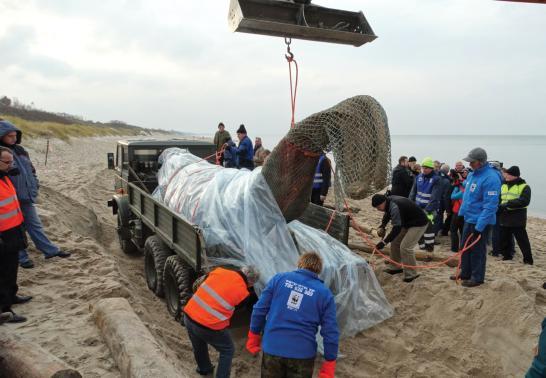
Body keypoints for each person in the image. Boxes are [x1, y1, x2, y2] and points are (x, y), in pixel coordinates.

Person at [246, 252, 338, 378]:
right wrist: (330, 361)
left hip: (273, 348)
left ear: (300, 264)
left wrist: (253, 336)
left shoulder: (279, 279)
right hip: (302, 354)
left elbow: (259, 310)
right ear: (318, 270)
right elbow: (330, 331)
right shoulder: (325, 294)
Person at [0, 120, 70, 269]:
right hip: (9, 199)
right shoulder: (1, 153)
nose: (13, 138)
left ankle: (50, 251)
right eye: (9, 136)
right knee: (15, 229)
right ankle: (22, 258)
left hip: (26, 195)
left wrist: (35, 184)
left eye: (15, 135)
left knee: (35, 225)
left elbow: (31, 170)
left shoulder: (20, 150)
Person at [183, 265, 260, 378]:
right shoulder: (244, 294)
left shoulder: (219, 271)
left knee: (198, 343)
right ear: (251, 284)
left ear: (242, 269)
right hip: (208, 326)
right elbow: (237, 310)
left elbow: (200, 283)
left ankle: (204, 369)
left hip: (189, 315)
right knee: (228, 350)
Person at [454, 147, 501, 287]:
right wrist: (460, 214)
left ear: (480, 162)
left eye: (472, 162)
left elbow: (490, 206)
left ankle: (477, 277)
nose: (469, 165)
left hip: (481, 221)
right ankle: (465, 272)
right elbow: (467, 196)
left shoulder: (491, 178)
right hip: (469, 218)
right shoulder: (472, 174)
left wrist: (479, 227)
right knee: (464, 247)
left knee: (477, 250)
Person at [0, 146, 31, 324]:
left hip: (13, 230)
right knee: (3, 272)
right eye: (6, 162)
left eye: (11, 161)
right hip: (3, 234)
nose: (10, 165)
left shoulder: (5, 178)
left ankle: (12, 296)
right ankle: (5, 309)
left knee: (11, 268)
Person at [372, 194, 429, 283]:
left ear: (383, 202)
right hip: (406, 222)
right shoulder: (388, 201)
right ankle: (395, 267)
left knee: (405, 247)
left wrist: (384, 242)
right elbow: (387, 214)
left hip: (419, 223)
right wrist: (382, 225)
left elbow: (396, 229)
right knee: (395, 242)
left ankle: (411, 274)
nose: (378, 209)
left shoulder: (395, 207)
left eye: (378, 207)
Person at [498, 166, 533, 265]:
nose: (506, 175)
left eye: (508, 174)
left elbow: (524, 201)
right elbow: (500, 198)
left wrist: (507, 204)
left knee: (522, 240)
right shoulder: (503, 185)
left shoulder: (525, 186)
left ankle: (528, 260)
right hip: (504, 216)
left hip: (517, 217)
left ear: (514, 176)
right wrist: (499, 206)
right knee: (504, 238)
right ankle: (507, 256)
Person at [409, 157, 441, 252]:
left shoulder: (436, 179)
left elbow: (434, 197)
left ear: (431, 168)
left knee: (429, 229)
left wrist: (427, 210)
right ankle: (422, 246)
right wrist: (410, 205)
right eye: (423, 167)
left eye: (426, 168)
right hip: (418, 207)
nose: (424, 169)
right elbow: (413, 192)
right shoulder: (418, 177)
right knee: (417, 228)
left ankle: (429, 249)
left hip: (430, 210)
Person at [449, 168, 467, 252]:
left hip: (457, 212)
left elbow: (453, 196)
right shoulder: (468, 187)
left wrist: (457, 188)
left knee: (453, 230)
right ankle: (463, 248)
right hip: (464, 213)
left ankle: (454, 248)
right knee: (462, 231)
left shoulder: (462, 189)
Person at [434, 164, 452, 236]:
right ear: (447, 172)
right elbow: (446, 196)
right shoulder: (447, 181)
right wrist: (448, 209)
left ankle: (435, 232)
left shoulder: (435, 176)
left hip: (433, 200)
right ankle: (435, 234)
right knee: (438, 218)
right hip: (441, 202)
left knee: (435, 218)